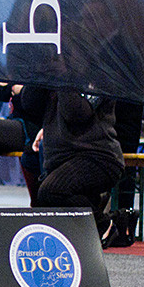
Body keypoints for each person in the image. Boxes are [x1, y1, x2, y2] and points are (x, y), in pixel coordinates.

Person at [22, 87, 124, 241]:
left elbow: (76, 114)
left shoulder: (99, 76)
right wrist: (39, 77)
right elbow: (30, 105)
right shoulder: (54, 75)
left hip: (98, 156)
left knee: (51, 191)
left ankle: (102, 224)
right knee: (47, 201)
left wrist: (64, 78)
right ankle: (94, 211)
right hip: (59, 157)